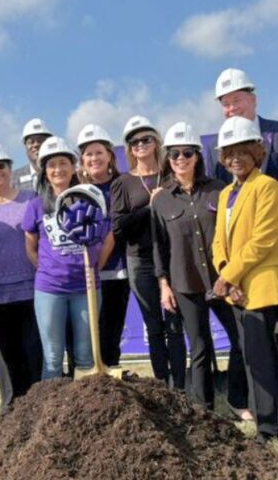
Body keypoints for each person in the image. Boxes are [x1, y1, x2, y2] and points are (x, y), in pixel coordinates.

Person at [213, 67, 278, 415]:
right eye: (225, 103)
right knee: (255, 339)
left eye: (236, 99)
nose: (231, 108)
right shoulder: (224, 151)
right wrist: (230, 272)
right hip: (246, 263)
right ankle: (261, 401)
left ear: (253, 98)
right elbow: (225, 216)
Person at [152, 122, 245, 412]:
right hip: (185, 283)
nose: (181, 159)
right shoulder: (161, 200)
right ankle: (203, 410)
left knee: (242, 339)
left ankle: (238, 400)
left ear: (197, 156)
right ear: (168, 159)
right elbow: (159, 247)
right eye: (174, 154)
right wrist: (164, 285)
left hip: (223, 280)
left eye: (187, 153)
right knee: (200, 347)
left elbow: (234, 234)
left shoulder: (220, 190)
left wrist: (236, 276)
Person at [212, 116, 278, 442]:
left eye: (243, 152)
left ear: (256, 153)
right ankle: (264, 422)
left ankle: (272, 429)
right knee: (250, 360)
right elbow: (219, 242)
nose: (235, 159)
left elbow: (263, 240)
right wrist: (227, 276)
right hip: (236, 288)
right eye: (229, 153)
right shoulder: (225, 194)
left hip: (260, 284)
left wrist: (229, 277)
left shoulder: (267, 186)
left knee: (262, 359)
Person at [23, 137, 112, 379]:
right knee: (52, 357)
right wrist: (44, 268)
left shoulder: (91, 199)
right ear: (45, 171)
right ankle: (50, 403)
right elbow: (30, 245)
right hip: (50, 289)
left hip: (86, 288)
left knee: (85, 356)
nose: (58, 169)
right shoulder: (36, 206)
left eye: (63, 163)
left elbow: (108, 237)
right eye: (51, 165)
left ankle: (86, 403)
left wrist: (96, 267)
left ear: (74, 167)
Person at [111, 116, 186, 390]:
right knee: (154, 327)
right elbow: (119, 227)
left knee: (175, 324)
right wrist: (149, 207)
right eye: (134, 142)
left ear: (156, 143)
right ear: (129, 149)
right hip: (140, 260)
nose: (140, 145)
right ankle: (161, 385)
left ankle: (180, 386)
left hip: (172, 257)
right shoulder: (123, 182)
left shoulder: (171, 176)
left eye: (146, 139)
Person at [0, 141, 43, 399]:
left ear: (10, 168)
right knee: (8, 358)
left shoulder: (31, 199)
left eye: (1, 165)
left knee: (35, 353)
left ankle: (38, 405)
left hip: (34, 290)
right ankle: (11, 410)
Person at [76, 124, 129, 368]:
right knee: (87, 335)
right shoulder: (76, 191)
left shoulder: (122, 184)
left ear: (110, 156)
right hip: (84, 276)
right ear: (82, 160)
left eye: (99, 152)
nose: (94, 158)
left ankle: (110, 377)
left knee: (111, 332)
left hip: (116, 271)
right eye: (88, 154)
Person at [12, 118, 53, 190]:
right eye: (31, 142)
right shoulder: (13, 179)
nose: (36, 145)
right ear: (25, 146)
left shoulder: (59, 174)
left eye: (40, 140)